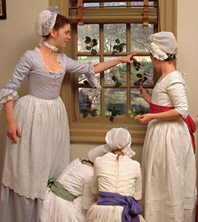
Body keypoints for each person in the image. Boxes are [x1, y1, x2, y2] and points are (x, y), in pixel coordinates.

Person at [0, 7, 137, 222]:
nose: (69, 36)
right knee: (31, 166)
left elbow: (91, 67)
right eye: (66, 32)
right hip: (31, 116)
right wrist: (10, 121)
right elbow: (9, 89)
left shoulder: (63, 60)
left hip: (54, 117)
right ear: (52, 32)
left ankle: (47, 213)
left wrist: (120, 60)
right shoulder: (30, 58)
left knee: (50, 164)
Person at [137, 31, 197, 222]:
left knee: (170, 175)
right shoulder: (164, 78)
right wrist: (147, 96)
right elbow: (162, 104)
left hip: (169, 135)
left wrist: (151, 116)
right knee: (160, 177)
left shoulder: (174, 78)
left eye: (151, 57)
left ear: (158, 56)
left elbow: (182, 110)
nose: (151, 61)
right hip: (160, 132)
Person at [86, 127, 145, 222]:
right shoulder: (135, 165)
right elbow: (137, 198)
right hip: (125, 211)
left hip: (101, 212)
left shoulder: (99, 161)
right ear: (128, 144)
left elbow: (95, 190)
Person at [40, 145, 105, 222]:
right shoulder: (91, 174)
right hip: (60, 205)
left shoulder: (78, 160)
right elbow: (86, 207)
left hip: (50, 196)